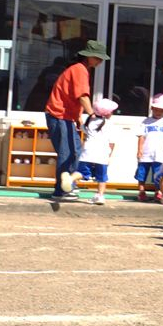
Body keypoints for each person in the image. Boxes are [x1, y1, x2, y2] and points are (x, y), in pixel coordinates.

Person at [44, 40, 110, 200]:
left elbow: (73, 97)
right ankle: (61, 190)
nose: (101, 60)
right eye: (98, 57)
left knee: (75, 152)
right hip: (59, 115)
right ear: (89, 57)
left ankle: (69, 185)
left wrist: (80, 119)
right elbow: (82, 96)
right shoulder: (80, 70)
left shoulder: (78, 69)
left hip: (63, 116)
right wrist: (93, 116)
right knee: (68, 153)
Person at [60, 98, 118, 205]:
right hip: (102, 154)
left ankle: (71, 178)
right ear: (107, 113)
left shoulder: (90, 121)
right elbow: (112, 142)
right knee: (102, 177)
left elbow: (82, 127)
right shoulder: (110, 125)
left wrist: (79, 117)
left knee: (82, 172)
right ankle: (100, 196)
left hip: (88, 152)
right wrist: (109, 155)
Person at [135, 94, 163, 202]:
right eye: (156, 109)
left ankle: (158, 192)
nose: (159, 112)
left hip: (160, 153)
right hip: (146, 152)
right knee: (142, 172)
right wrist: (139, 150)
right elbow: (141, 136)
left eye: (162, 110)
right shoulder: (146, 122)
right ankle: (141, 191)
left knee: (159, 174)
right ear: (152, 108)